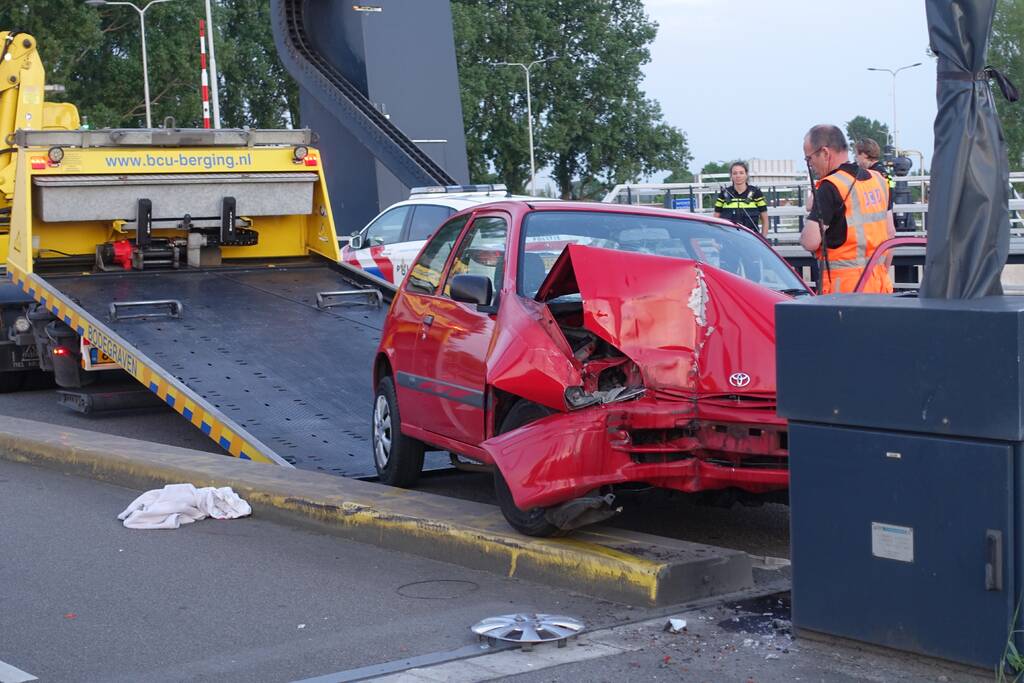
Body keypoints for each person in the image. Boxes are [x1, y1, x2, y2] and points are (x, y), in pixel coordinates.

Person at [800, 124, 895, 294]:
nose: (811, 165)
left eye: (809, 159)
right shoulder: (879, 180)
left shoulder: (830, 186)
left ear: (825, 153)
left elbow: (810, 241)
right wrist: (882, 272)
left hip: (845, 290)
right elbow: (890, 233)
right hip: (880, 284)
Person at [713, 161, 770, 236]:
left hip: (751, 238)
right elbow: (715, 219)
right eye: (735, 173)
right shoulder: (724, 194)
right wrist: (716, 239)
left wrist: (763, 239)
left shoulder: (756, 193)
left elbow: (765, 220)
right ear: (731, 176)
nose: (738, 176)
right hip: (728, 238)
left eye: (741, 173)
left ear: (746, 175)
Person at [854, 138, 895, 212]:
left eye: (856, 155)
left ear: (864, 155)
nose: (856, 159)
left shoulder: (870, 175)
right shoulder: (886, 174)